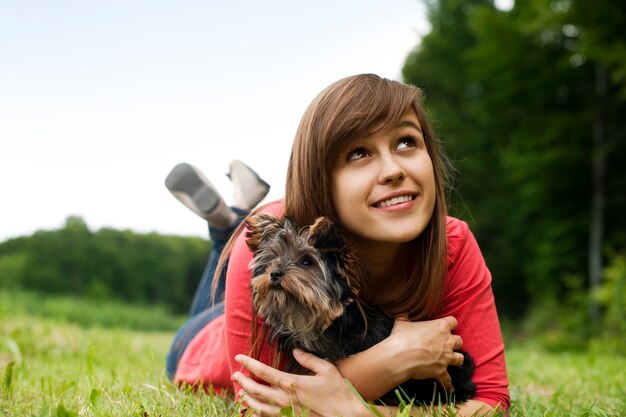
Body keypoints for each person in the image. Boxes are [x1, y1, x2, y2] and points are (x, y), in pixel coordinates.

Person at [165, 74, 510, 417]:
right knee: (238, 250)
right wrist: (396, 356)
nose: (393, 170)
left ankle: (231, 214)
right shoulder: (274, 244)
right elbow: (262, 408)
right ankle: (228, 226)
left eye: (406, 142)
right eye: (358, 153)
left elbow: (493, 403)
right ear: (320, 178)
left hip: (292, 281)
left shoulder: (453, 243)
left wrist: (363, 413)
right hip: (201, 342)